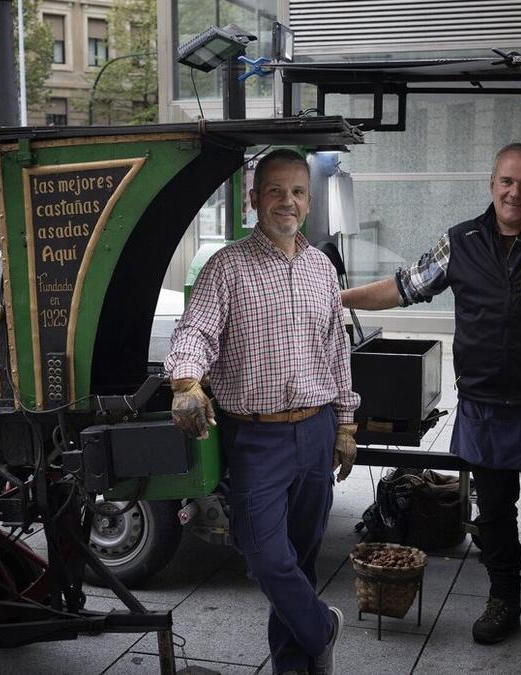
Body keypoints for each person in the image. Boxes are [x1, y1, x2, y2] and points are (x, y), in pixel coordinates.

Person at [341, 143, 521, 674]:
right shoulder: (460, 240)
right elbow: (404, 287)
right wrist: (337, 298)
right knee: (494, 516)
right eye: (507, 181)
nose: (515, 192)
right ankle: (504, 602)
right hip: (484, 409)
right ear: (491, 184)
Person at [164, 148, 359, 675]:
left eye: (297, 191)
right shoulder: (226, 266)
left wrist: (346, 423)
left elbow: (336, 352)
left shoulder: (322, 268)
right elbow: (195, 331)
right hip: (256, 438)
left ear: (309, 200)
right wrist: (185, 381)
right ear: (253, 199)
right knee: (263, 554)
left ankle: (295, 665)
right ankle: (323, 627)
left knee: (301, 557)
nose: (286, 202)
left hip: (317, 431)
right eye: (275, 191)